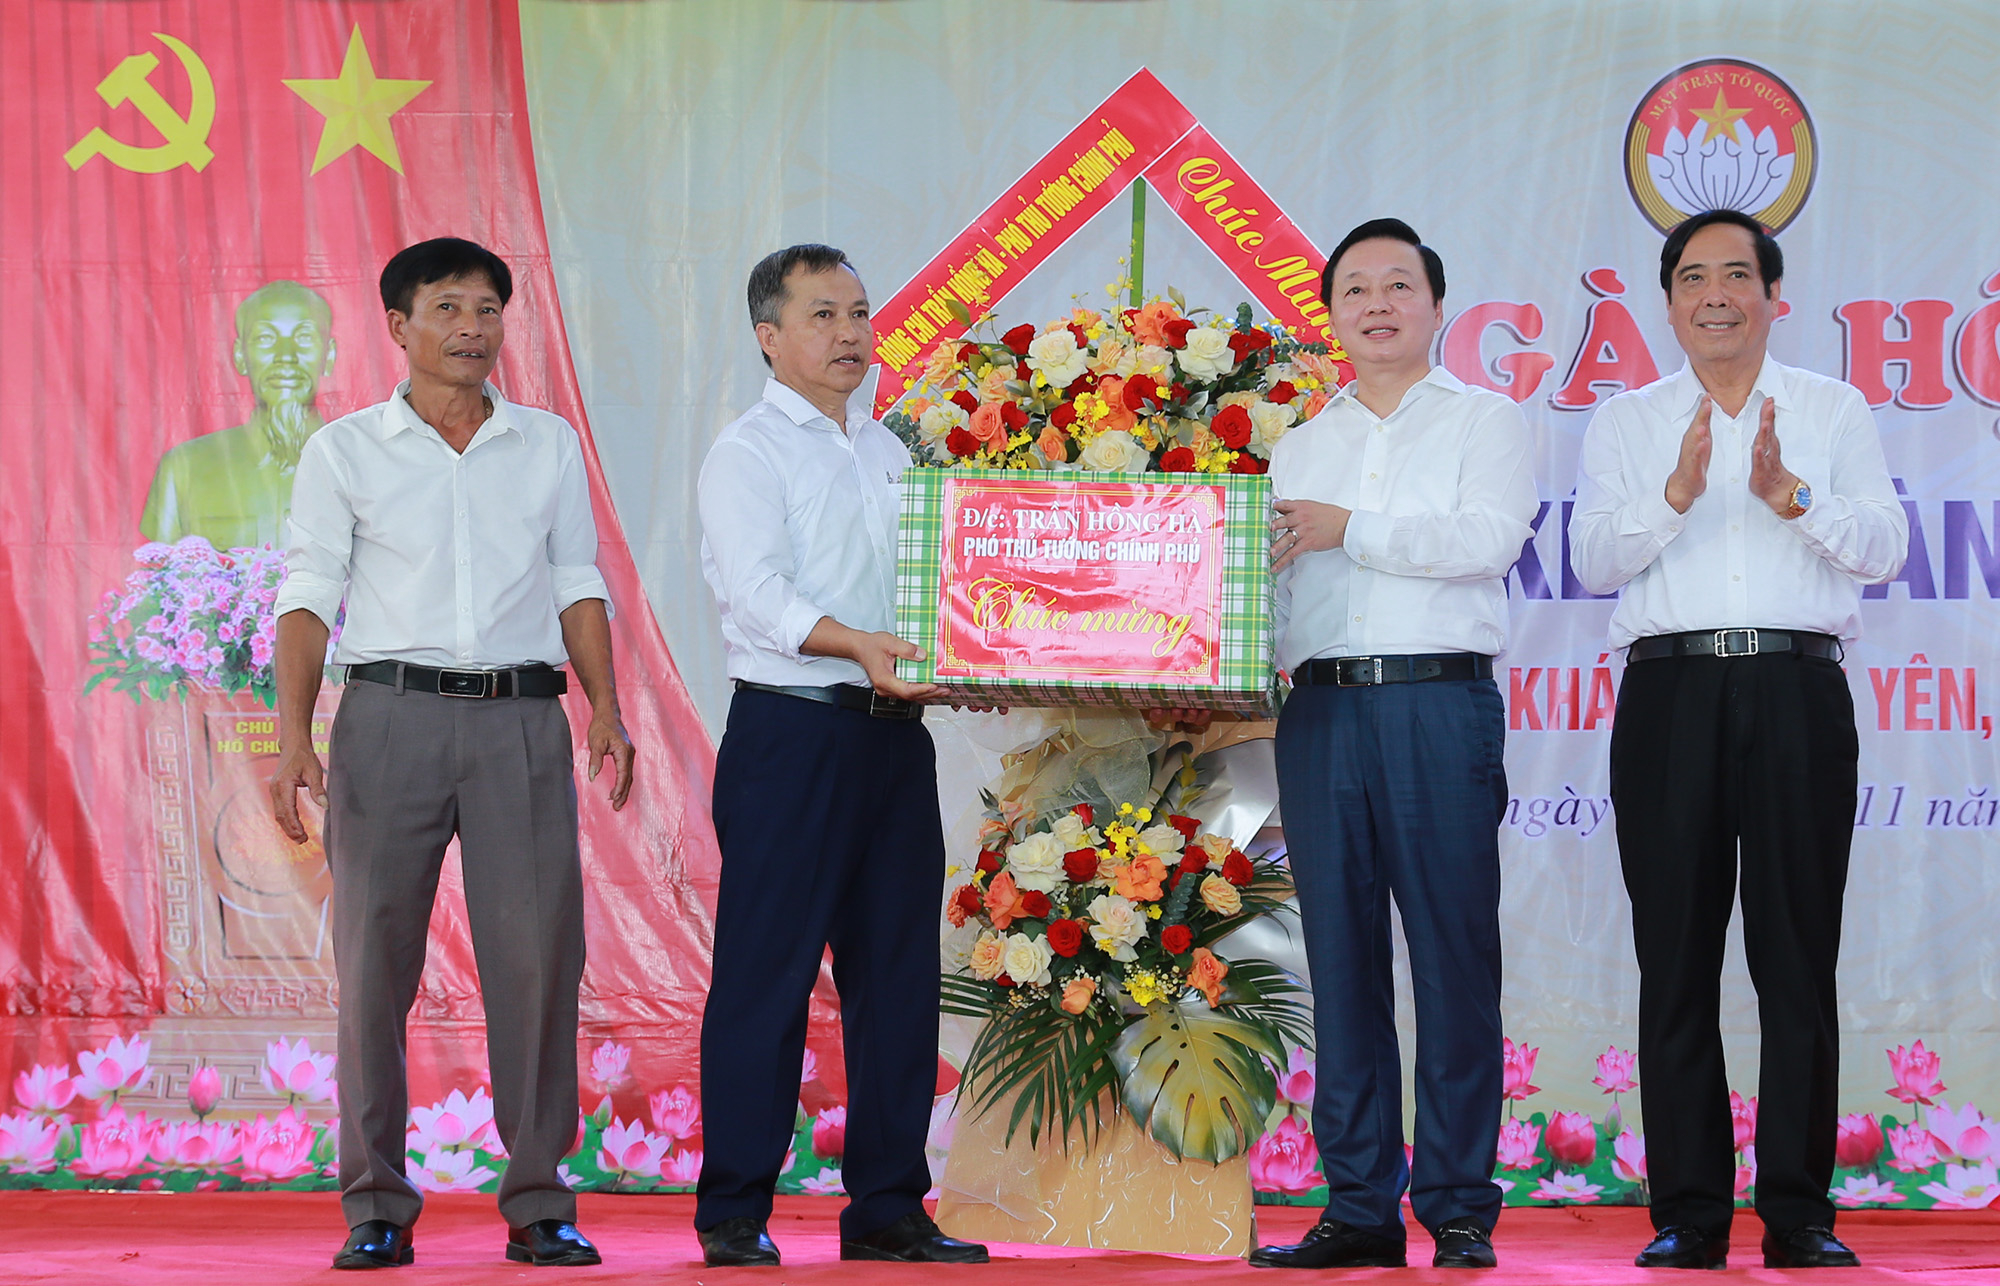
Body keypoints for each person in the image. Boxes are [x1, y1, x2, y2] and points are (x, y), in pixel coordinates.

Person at [268, 237, 634, 1271]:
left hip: (523, 720)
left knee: (537, 961)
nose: (474, 328)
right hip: (390, 720)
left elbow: (576, 578)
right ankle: (374, 1203)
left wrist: (603, 706)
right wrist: (294, 733)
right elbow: (307, 594)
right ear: (398, 324)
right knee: (372, 966)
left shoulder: (547, 444)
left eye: (488, 309)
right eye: (449, 308)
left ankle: (536, 1202)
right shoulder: (344, 450)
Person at [1570, 209, 1906, 1270]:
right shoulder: (1626, 421)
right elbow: (1588, 560)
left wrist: (1788, 495)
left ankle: (1800, 1212)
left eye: (1734, 275)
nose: (1713, 294)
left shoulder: (1830, 407)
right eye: (1690, 278)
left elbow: (1884, 547)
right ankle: (1689, 1213)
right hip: (1668, 696)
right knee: (1673, 961)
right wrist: (1672, 497)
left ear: (1770, 294)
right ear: (1665, 300)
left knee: (1793, 958)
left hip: (1796, 691)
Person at [692, 244, 987, 1269]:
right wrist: (855, 643)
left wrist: (955, 653)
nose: (850, 333)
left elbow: (922, 596)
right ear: (768, 335)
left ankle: (887, 1206)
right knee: (764, 981)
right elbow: (754, 593)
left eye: (860, 312)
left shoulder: (891, 453)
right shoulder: (746, 452)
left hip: (892, 741)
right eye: (821, 314)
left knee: (898, 980)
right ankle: (733, 1206)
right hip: (791, 733)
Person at [1251, 219, 1537, 1271]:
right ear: (1328, 316)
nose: (1375, 303)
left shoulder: (1485, 419)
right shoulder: (1298, 439)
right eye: (1354, 290)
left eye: (1396, 285)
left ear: (1434, 304)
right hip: (1321, 709)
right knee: (1340, 960)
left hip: (1435, 701)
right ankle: (1359, 1201)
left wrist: (1350, 526)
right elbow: (1280, 594)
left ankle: (1458, 1203)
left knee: (1453, 958)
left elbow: (1486, 541)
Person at [142, 279, 336, 549]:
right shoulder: (184, 467)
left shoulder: (365, 461)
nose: (286, 356)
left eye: (304, 337)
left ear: (329, 355)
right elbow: (161, 582)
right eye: (266, 338)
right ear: (240, 356)